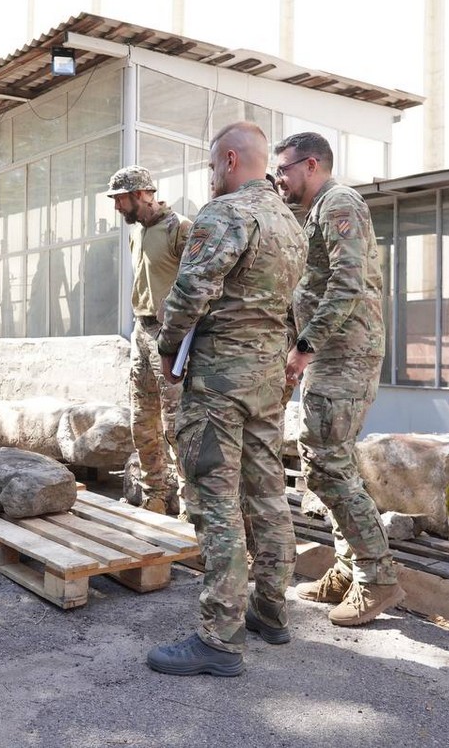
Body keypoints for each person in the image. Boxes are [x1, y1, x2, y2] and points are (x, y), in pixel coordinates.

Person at [146, 122, 307, 677]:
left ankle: (219, 637)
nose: (210, 176)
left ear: (231, 160)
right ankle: (271, 611)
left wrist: (167, 349)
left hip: (218, 382)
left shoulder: (224, 214)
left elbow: (191, 290)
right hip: (267, 382)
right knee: (267, 494)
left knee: (215, 499)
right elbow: (292, 308)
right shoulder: (291, 223)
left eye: (212, 166)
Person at [273, 131, 405, 627]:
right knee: (328, 464)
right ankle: (349, 568)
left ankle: (377, 577)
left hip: (344, 354)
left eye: (284, 168)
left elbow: (347, 284)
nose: (279, 177)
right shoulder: (316, 212)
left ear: (311, 165)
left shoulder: (338, 203)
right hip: (331, 354)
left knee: (326, 465)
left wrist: (305, 346)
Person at [106, 165, 192, 516]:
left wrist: (180, 337)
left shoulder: (180, 230)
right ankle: (155, 494)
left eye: (121, 199)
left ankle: (190, 505)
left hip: (169, 335)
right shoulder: (136, 233)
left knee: (176, 425)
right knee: (142, 420)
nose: (117, 208)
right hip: (140, 333)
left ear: (142, 194)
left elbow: (197, 287)